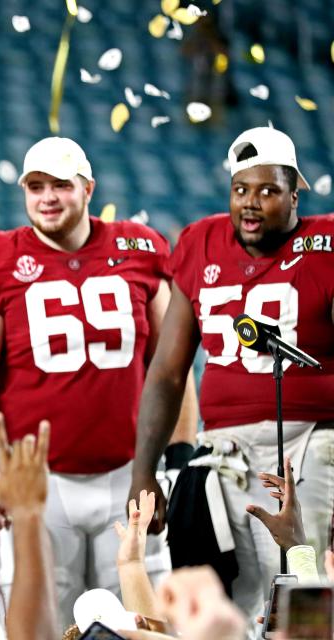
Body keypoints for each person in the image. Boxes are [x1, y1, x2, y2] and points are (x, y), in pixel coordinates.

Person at [0, 136, 197, 627]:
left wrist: (177, 460)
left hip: (129, 471)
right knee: (45, 620)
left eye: (61, 185)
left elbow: (171, 370)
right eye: (36, 186)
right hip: (39, 478)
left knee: (139, 623)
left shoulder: (139, 248)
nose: (47, 197)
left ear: (87, 188)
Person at [129, 126, 334, 622]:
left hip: (310, 442)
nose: (251, 202)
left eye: (268, 190)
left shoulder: (326, 243)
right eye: (241, 189)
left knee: (302, 594)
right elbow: (167, 372)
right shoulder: (201, 241)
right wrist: (144, 472)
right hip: (223, 454)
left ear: (295, 193)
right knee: (223, 604)